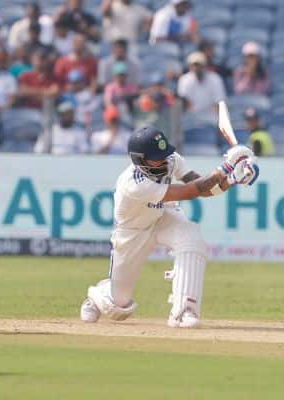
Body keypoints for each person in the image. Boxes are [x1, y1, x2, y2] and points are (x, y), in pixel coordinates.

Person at [80, 126, 259, 329]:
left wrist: (233, 179)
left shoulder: (171, 159)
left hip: (163, 214)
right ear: (140, 160)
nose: (164, 160)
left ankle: (184, 311)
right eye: (157, 157)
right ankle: (98, 296)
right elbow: (190, 191)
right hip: (133, 231)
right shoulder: (134, 183)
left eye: (164, 154)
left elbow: (203, 188)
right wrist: (226, 167)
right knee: (118, 307)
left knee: (192, 240)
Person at [177, 51, 226, 117]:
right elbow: (185, 102)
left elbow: (218, 103)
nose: (196, 68)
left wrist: (216, 120)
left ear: (204, 65)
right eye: (194, 65)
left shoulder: (215, 79)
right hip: (191, 117)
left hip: (211, 117)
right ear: (189, 66)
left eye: (198, 65)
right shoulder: (184, 80)